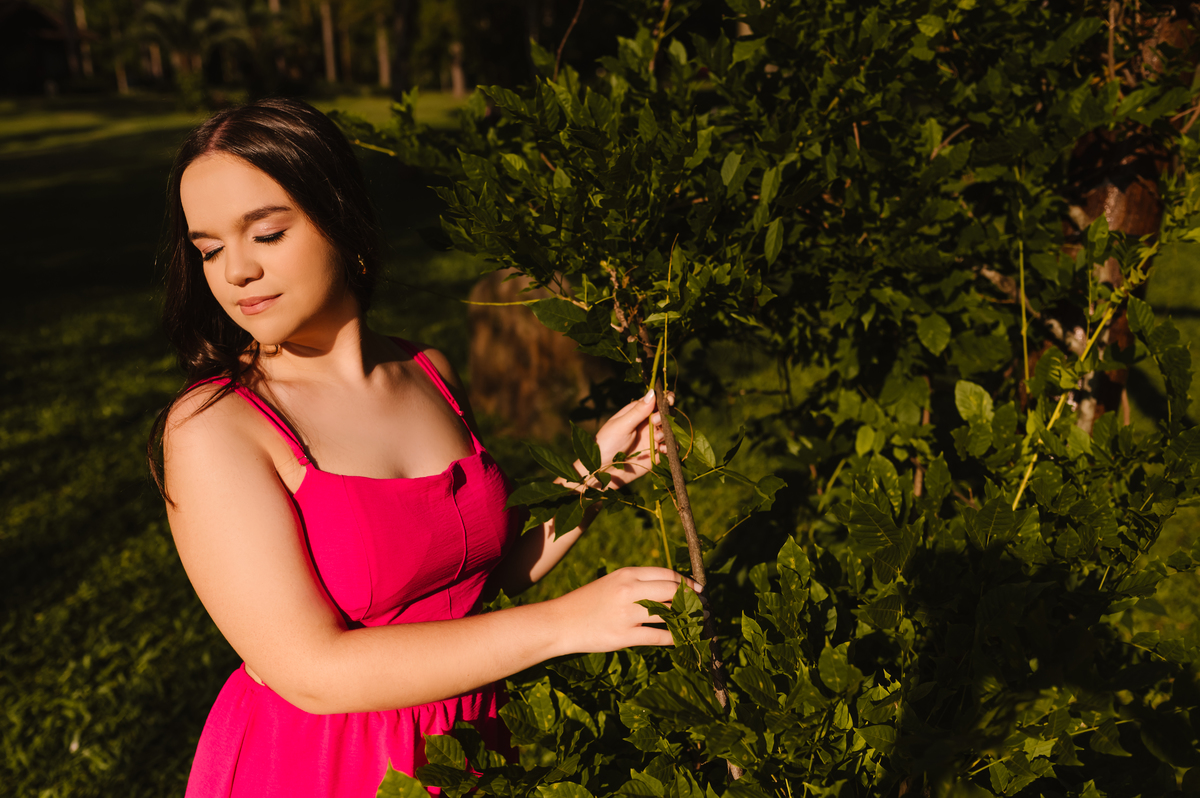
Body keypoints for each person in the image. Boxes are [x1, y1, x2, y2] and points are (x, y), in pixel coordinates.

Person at [148, 97, 693, 798]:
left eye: (268, 233)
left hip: (468, 742)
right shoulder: (220, 424)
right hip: (325, 764)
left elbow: (466, 587)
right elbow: (310, 672)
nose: (236, 272)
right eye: (211, 250)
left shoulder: (428, 371)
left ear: (341, 218)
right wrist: (564, 625)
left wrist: (595, 479)